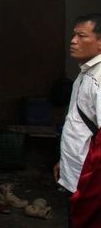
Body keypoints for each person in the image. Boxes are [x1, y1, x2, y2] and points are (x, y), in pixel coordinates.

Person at [54, 13, 101, 227]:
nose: (73, 41)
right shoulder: (87, 72)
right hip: (76, 174)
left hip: (88, 184)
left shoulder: (98, 80)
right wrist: (64, 161)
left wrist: (90, 186)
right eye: (74, 35)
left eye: (82, 36)